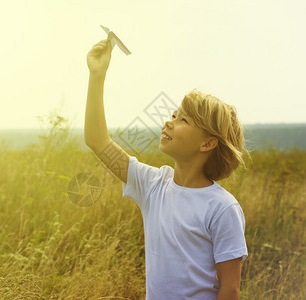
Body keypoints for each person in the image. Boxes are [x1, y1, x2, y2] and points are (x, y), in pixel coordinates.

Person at [84, 36, 248, 300]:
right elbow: (96, 140)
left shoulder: (223, 208)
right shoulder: (152, 185)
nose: (169, 123)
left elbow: (230, 288)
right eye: (173, 115)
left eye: (183, 119)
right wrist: (97, 75)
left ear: (207, 143)